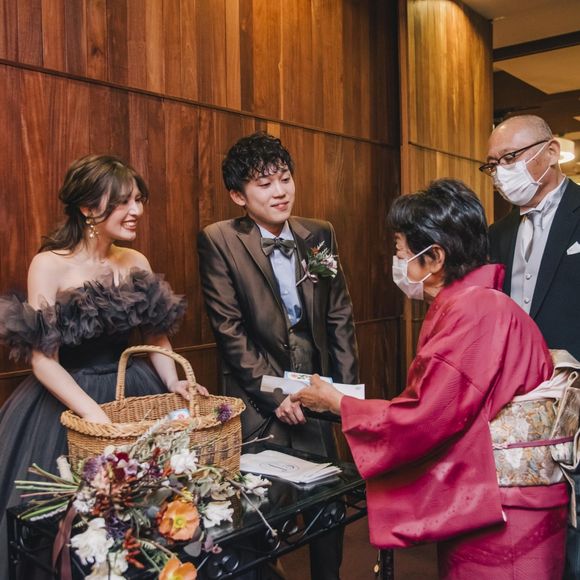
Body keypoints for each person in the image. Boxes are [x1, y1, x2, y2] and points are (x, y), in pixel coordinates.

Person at [291, 179, 569, 579]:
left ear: (435, 257)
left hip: (507, 507)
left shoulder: (474, 311)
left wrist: (339, 404)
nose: (397, 262)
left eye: (400, 252)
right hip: (502, 496)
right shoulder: (479, 303)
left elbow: (427, 417)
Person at [0, 154, 207, 578]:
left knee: (152, 514)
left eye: (138, 200)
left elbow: (155, 337)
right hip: (68, 399)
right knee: (78, 527)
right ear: (87, 207)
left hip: (133, 388)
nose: (137, 211)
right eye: (123, 202)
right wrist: (94, 416)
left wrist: (174, 381)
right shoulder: (50, 263)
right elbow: (42, 359)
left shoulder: (136, 261)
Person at [197, 132, 359, 580]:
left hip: (315, 389)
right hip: (257, 394)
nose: (280, 191)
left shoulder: (319, 233)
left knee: (328, 503)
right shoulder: (219, 240)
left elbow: (340, 317)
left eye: (284, 179)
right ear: (238, 196)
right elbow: (229, 331)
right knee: (258, 510)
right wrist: (275, 395)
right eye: (264, 184)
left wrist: (345, 398)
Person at [484, 114, 580, 579]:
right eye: (492, 164)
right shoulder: (498, 233)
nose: (501, 172)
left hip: (575, 395)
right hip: (521, 406)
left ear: (551, 152)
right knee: (535, 526)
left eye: (510, 158)